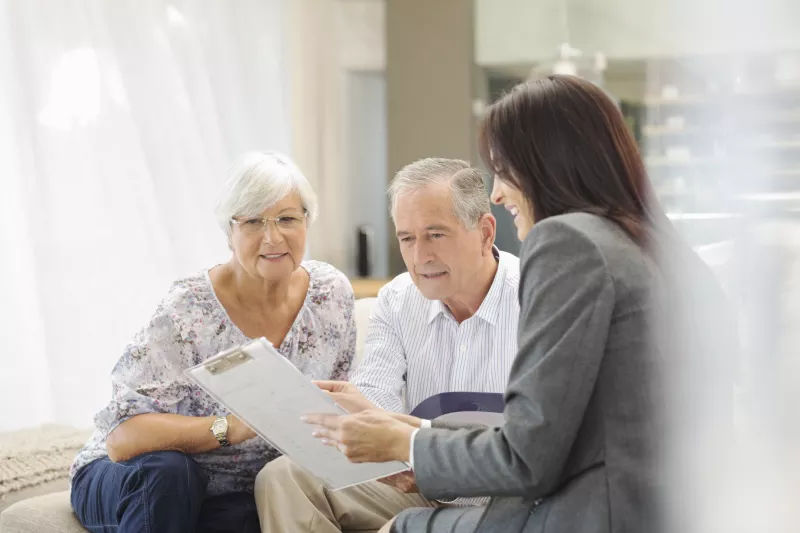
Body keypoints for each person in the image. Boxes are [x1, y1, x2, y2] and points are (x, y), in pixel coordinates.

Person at [304, 75, 736, 533]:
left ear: (545, 164)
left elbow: (528, 458)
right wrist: (413, 435)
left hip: (590, 516)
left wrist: (407, 443)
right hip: (655, 512)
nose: (496, 191)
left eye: (503, 169)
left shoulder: (569, 244)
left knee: (402, 527)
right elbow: (555, 434)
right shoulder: (652, 250)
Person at [69, 151, 356, 533]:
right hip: (132, 474)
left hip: (232, 490)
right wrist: (229, 427)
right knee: (171, 475)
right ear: (229, 232)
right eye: (253, 221)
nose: (273, 237)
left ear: (307, 221)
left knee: (252, 512)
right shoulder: (187, 309)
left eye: (287, 218)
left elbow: (337, 408)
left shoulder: (330, 296)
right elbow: (123, 439)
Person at [254, 158, 521, 532]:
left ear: (485, 232)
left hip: (509, 498)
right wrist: (361, 415)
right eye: (407, 238)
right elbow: (376, 400)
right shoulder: (397, 299)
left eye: (436, 235)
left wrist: (409, 440)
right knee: (285, 476)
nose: (419, 257)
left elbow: (534, 445)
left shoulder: (537, 300)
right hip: (422, 484)